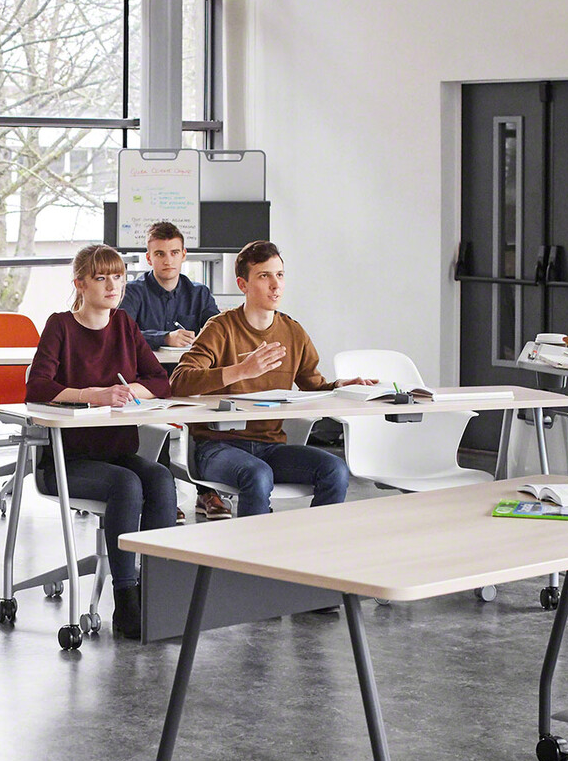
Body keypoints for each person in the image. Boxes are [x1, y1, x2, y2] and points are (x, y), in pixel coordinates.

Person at [25, 245, 177, 639]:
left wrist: (129, 392)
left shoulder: (125, 324)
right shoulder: (60, 325)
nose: (113, 285)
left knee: (160, 478)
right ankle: (125, 600)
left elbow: (160, 380)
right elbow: (38, 386)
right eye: (101, 277)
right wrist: (94, 394)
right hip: (66, 461)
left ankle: (158, 591)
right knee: (126, 485)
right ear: (80, 283)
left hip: (117, 452)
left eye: (118, 276)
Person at [169, 240, 373, 517]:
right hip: (216, 447)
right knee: (258, 474)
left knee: (334, 470)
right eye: (264, 276)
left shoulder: (293, 331)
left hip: (270, 445)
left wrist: (339, 386)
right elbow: (180, 381)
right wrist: (241, 370)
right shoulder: (220, 328)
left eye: (279, 275)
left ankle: (317, 552)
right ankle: (252, 557)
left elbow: (313, 386)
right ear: (243, 285)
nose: (275, 285)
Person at [118, 220, 226, 519]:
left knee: (209, 415)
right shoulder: (134, 292)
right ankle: (163, 495)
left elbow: (217, 331)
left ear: (184, 255)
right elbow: (123, 331)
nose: (168, 260)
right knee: (160, 426)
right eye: (160, 254)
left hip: (189, 376)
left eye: (174, 253)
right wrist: (163, 337)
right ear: (149, 257)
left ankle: (207, 492)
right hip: (150, 378)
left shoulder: (199, 293)